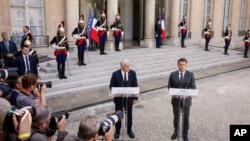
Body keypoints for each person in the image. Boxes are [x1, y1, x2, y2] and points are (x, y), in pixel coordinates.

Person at [168, 58, 196, 141]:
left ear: (186, 65)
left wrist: (191, 93)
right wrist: (173, 93)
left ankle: (185, 134)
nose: (182, 66)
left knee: (186, 117)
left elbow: (193, 86)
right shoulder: (172, 74)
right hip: (176, 100)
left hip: (186, 101)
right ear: (178, 65)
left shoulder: (190, 74)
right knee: (176, 117)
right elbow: (169, 86)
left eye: (184, 64)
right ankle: (176, 132)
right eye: (180, 64)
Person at [109, 59, 138, 139]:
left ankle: (129, 130)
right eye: (127, 66)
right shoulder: (115, 74)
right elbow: (111, 86)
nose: (129, 67)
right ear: (122, 66)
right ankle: (117, 131)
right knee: (118, 115)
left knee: (129, 115)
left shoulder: (132, 73)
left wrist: (135, 98)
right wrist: (118, 90)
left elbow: (135, 85)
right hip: (119, 99)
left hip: (129, 99)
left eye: (129, 66)